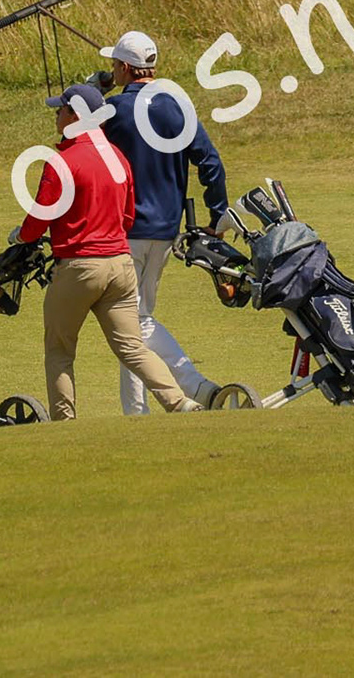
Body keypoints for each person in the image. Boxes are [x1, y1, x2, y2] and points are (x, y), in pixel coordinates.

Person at [16, 84, 202, 420]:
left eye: (60, 109)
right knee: (132, 347)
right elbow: (127, 217)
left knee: (59, 351)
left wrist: (20, 236)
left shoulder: (62, 161)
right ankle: (180, 402)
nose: (56, 115)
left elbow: (38, 220)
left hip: (78, 268)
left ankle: (64, 423)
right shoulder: (118, 157)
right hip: (120, 266)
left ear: (75, 116)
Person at [98, 30, 231, 415]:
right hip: (167, 231)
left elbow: (77, 137)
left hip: (127, 231)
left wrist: (93, 93)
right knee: (137, 320)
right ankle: (152, 406)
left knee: (131, 324)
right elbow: (211, 163)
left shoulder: (114, 110)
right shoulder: (177, 106)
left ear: (125, 68)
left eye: (114, 65)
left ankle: (189, 390)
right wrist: (217, 215)